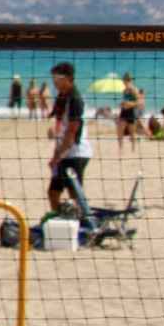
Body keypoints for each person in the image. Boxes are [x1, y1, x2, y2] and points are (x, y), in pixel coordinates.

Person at [46, 62, 93, 214]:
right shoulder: (62, 97)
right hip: (65, 151)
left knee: (75, 195)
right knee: (53, 192)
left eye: (58, 78)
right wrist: (56, 154)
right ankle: (62, 221)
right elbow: (61, 129)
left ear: (69, 78)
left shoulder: (75, 99)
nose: (55, 82)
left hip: (76, 152)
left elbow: (71, 133)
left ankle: (83, 226)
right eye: (53, 78)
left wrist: (58, 156)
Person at [117, 74, 145, 153]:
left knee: (132, 132)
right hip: (124, 111)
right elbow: (125, 100)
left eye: (124, 80)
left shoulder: (134, 89)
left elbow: (139, 102)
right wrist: (122, 104)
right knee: (120, 130)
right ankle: (120, 149)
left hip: (131, 112)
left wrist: (129, 104)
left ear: (128, 80)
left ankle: (133, 149)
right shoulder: (124, 90)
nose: (123, 82)